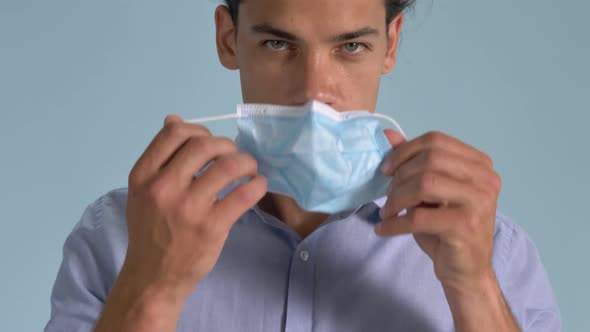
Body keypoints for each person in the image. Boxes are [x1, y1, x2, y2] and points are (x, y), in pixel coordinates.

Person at [44, 0, 561, 331]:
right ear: (229, 38)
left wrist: (474, 289)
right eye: (278, 44)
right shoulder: (119, 239)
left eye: (351, 46)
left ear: (392, 43)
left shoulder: (491, 252)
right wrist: (150, 291)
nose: (315, 92)